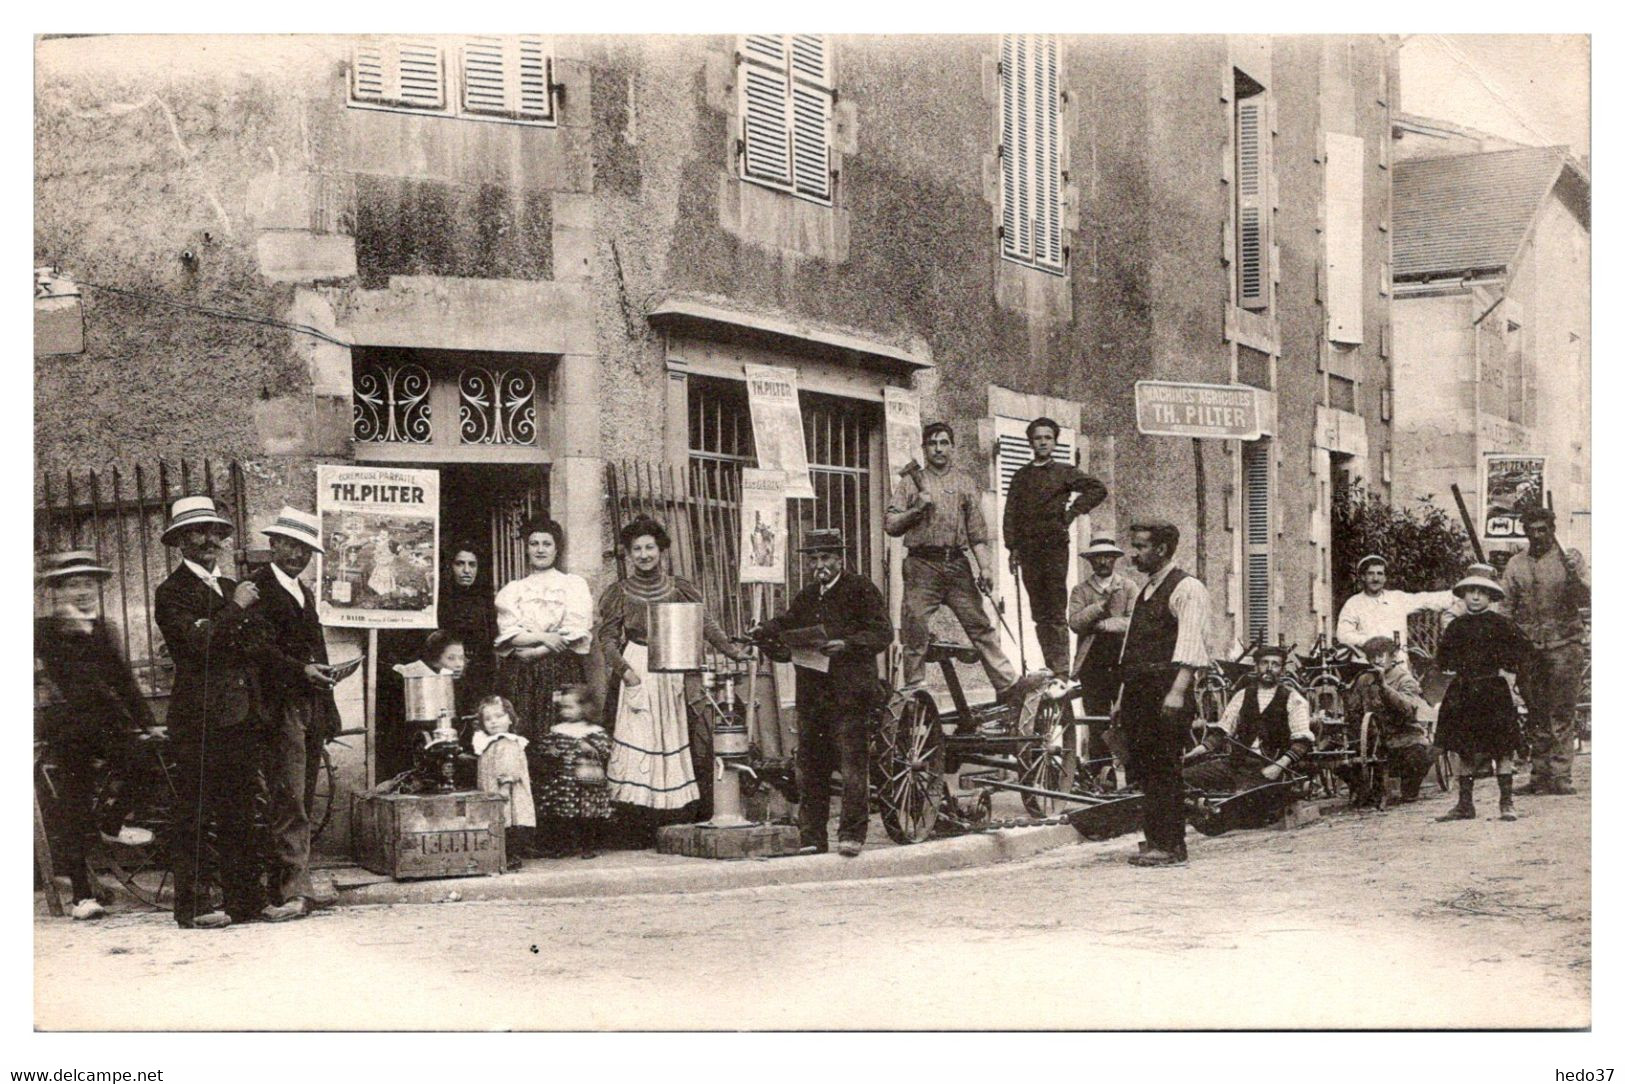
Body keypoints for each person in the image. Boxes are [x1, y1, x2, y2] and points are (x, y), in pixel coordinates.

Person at [151, 495, 268, 929]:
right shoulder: (172, 592)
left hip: (238, 713)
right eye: (197, 532)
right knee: (196, 812)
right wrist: (235, 611)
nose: (209, 540)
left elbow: (251, 645)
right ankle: (194, 907)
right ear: (180, 541)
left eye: (215, 531)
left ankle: (245, 902)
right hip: (198, 717)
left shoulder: (228, 586)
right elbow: (198, 648)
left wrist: (223, 623)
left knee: (239, 809)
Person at [598, 516, 746, 837]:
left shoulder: (679, 588)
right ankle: (635, 824)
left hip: (673, 670)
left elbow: (705, 625)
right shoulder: (619, 592)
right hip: (637, 669)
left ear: (661, 550)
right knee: (639, 740)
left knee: (674, 737)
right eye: (636, 549)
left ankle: (671, 821)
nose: (643, 554)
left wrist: (733, 651)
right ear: (628, 554)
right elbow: (607, 639)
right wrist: (625, 671)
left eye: (649, 547)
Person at [34, 550, 161, 919]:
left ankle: (111, 822)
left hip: (107, 723)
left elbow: (123, 680)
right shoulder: (43, 630)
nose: (83, 591)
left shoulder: (103, 628)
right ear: (58, 590)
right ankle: (82, 898)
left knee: (145, 765)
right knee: (73, 808)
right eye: (74, 584)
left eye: (89, 583)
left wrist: (147, 722)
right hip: (68, 728)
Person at [755, 528, 894, 857]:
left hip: (851, 694)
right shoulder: (807, 597)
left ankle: (851, 835)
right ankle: (813, 837)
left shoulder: (860, 589)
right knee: (811, 770)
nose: (820, 565)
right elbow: (789, 624)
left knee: (852, 767)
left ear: (839, 558)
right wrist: (766, 630)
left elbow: (882, 633)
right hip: (813, 696)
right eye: (814, 559)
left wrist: (846, 645)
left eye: (826, 558)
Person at [244, 506, 339, 922]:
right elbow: (258, 650)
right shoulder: (259, 588)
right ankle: (289, 891)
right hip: (279, 706)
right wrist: (301, 670)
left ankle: (296, 882)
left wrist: (328, 704)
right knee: (288, 799)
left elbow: (317, 648)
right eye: (291, 545)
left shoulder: (304, 591)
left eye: (306, 549)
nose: (298, 555)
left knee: (301, 794)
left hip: (309, 704)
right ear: (274, 545)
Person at [885, 421, 1019, 702]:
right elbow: (891, 524)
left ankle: (1007, 684)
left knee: (979, 625)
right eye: (932, 443)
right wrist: (917, 509)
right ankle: (914, 687)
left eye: (944, 442)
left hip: (957, 564)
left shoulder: (965, 483)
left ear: (953, 447)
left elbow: (978, 535)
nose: (938, 448)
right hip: (922, 565)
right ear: (924, 448)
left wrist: (985, 567)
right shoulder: (910, 482)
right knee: (915, 626)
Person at [1115, 518, 1211, 867]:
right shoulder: (1146, 590)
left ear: (1162, 549)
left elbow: (1191, 647)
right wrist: (1123, 699)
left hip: (1167, 690)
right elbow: (1133, 648)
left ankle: (1171, 845)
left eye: (1140, 547)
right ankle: (1156, 837)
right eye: (1135, 545)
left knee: (1164, 767)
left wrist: (1177, 693)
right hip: (1140, 691)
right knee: (1144, 767)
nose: (1134, 554)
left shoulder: (1187, 589)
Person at [1003, 417, 1107, 674]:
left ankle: (1061, 669)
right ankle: (1049, 666)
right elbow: (1010, 514)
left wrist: (1072, 512)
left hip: (1054, 550)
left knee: (1055, 610)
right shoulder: (1021, 476)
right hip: (1028, 551)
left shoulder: (1064, 471)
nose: (1043, 442)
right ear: (1030, 442)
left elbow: (1097, 489)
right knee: (1039, 613)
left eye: (1048, 438)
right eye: (1038, 438)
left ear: (1055, 441)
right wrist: (1012, 549)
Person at [1433, 570, 1531, 823]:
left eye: (1482, 592)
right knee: (1464, 748)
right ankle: (1465, 804)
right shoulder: (1456, 625)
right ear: (1463, 595)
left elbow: (1521, 653)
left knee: (1502, 748)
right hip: (1464, 690)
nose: (1475, 597)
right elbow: (1443, 660)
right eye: (1470, 591)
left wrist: (1508, 670)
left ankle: (1506, 803)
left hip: (1493, 690)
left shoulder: (1501, 624)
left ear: (1490, 596)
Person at [1504, 508, 1589, 796]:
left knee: (1562, 711)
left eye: (1542, 529)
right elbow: (1506, 607)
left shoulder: (1570, 559)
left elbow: (1587, 596)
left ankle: (1561, 775)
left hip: (1565, 646)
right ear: (1525, 531)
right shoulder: (1515, 564)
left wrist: (1575, 573)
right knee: (1536, 712)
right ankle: (1539, 775)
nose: (1537, 535)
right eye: (1531, 530)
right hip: (1529, 649)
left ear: (1552, 529)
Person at [494, 517, 594, 744]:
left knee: (558, 731)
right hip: (520, 674)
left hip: (560, 668)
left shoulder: (573, 585)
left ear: (557, 549)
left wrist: (535, 652)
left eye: (546, 544)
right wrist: (545, 637)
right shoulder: (515, 589)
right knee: (521, 728)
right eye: (534, 543)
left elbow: (575, 629)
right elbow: (510, 633)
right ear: (527, 548)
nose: (540, 550)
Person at [1183, 644, 1311, 795]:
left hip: (1269, 767)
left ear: (1282, 671)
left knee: (1242, 798)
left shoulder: (1294, 699)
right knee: (1182, 777)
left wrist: (1278, 767)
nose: (1269, 668)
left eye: (1275, 664)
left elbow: (1302, 742)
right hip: (1236, 764)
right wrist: (1195, 752)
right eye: (1264, 663)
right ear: (1256, 667)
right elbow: (1221, 733)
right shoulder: (1242, 695)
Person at [1067, 537, 1134, 767]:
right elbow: (1075, 622)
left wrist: (1103, 625)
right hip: (1092, 663)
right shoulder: (1081, 590)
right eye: (1098, 557)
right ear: (1090, 561)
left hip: (1122, 661)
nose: (1103, 561)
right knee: (1096, 720)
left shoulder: (1128, 587)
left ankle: (1131, 773)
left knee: (1127, 717)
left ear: (1115, 559)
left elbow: (1133, 622)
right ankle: (1099, 773)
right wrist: (1100, 605)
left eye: (1108, 557)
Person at [1350, 636, 1437, 805]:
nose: (1376, 661)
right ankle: (1366, 789)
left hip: (1403, 738)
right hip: (1373, 741)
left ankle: (1409, 789)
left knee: (1417, 757)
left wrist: (1384, 687)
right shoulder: (1362, 680)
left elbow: (1408, 710)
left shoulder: (1405, 679)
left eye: (1380, 655)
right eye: (1372, 656)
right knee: (1340, 759)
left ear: (1393, 656)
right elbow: (1354, 710)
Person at [533, 685, 613, 860]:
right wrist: (550, 749)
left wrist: (591, 748)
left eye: (570, 707)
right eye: (563, 707)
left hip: (587, 784)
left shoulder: (594, 731)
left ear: (585, 707)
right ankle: (564, 846)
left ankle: (587, 846)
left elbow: (606, 751)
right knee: (562, 817)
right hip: (564, 783)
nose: (565, 711)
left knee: (588, 817)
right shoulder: (558, 730)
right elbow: (544, 746)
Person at [1335, 554, 1456, 649]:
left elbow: (1426, 600)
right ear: (1362, 577)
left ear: (1385, 578)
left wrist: (1461, 594)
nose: (1375, 578)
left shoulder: (1397, 599)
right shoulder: (1354, 604)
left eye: (1380, 574)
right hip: (1368, 665)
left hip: (1399, 664)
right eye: (1370, 574)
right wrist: (1371, 641)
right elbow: (1344, 635)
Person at [472, 695, 534, 870]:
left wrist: (505, 787)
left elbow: (508, 767)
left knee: (508, 821)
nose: (493, 722)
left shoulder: (507, 742)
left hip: (506, 792)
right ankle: (501, 854)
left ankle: (511, 856)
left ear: (510, 719)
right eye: (488, 719)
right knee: (498, 822)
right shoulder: (489, 742)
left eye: (499, 716)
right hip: (492, 790)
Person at [440, 543, 498, 709]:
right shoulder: (442, 600)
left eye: (472, 564)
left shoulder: (485, 601)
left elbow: (491, 640)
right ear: (450, 566)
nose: (467, 570)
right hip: (447, 673)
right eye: (460, 564)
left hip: (477, 676)